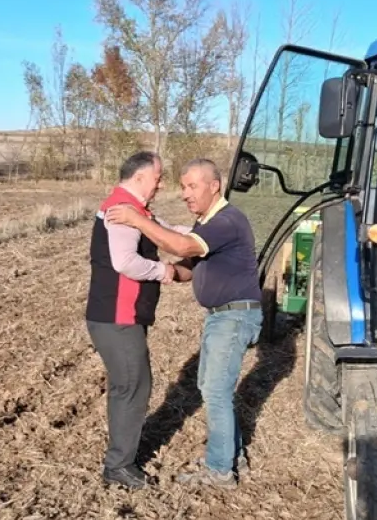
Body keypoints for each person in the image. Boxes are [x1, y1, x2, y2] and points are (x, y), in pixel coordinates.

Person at [105, 157, 262, 489]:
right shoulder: (210, 224)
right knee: (211, 388)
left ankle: (220, 470)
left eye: (192, 186)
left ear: (214, 186)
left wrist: (136, 219)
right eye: (183, 187)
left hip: (234, 315)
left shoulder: (226, 220)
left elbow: (181, 245)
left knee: (216, 391)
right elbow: (188, 264)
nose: (184, 194)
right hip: (221, 316)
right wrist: (164, 272)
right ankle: (233, 457)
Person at [85, 151, 179, 490]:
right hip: (117, 318)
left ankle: (121, 457)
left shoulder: (134, 209)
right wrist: (164, 271)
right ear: (140, 176)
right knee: (133, 386)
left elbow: (164, 230)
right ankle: (119, 466)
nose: (161, 184)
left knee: (127, 385)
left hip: (116, 317)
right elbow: (124, 262)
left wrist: (201, 238)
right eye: (158, 177)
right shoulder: (121, 210)